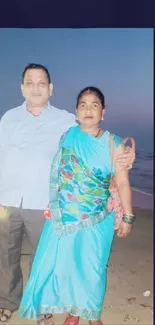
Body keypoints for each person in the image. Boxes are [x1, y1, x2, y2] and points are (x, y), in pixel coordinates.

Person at [19, 87, 136, 325]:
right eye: (83, 104)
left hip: (98, 218)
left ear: (103, 112)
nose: (88, 109)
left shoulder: (115, 143)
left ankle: (93, 315)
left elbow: (123, 184)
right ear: (76, 111)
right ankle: (74, 312)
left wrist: (128, 216)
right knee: (70, 266)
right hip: (65, 215)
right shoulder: (67, 136)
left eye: (94, 105)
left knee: (92, 268)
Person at [0, 63, 77, 323]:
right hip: (6, 201)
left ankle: (42, 304)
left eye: (41, 82)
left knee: (43, 258)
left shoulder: (65, 119)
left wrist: (119, 151)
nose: (36, 87)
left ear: (51, 88)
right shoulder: (8, 118)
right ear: (22, 88)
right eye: (30, 82)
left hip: (44, 201)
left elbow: (89, 139)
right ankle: (7, 301)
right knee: (5, 255)